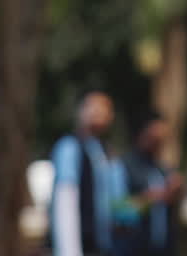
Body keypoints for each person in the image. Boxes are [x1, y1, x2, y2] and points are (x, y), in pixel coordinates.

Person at [50, 90, 117, 256]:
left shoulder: (104, 152)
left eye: (105, 108)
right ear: (80, 111)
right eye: (92, 106)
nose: (98, 112)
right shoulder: (69, 147)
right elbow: (65, 202)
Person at [110, 110, 183, 256]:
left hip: (163, 249)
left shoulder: (162, 169)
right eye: (154, 137)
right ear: (142, 133)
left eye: (162, 139)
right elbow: (118, 211)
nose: (158, 143)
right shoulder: (122, 165)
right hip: (132, 249)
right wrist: (153, 198)